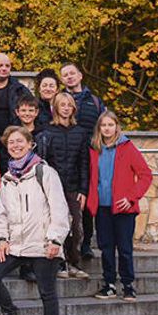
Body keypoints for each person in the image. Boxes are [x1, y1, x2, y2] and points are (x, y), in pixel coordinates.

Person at [0, 126, 71, 315]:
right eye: (11, 142)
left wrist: (55, 239)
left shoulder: (44, 172)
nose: (15, 146)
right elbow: (0, 213)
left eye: (19, 141)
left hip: (43, 244)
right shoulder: (7, 178)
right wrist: (1, 239)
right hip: (16, 244)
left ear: (30, 143)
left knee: (47, 292)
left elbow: (59, 209)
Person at [88, 111, 152, 302]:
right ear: (99, 128)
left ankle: (128, 285)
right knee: (106, 247)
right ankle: (108, 284)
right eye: (103, 125)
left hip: (123, 208)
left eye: (110, 124)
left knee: (124, 248)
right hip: (102, 207)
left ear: (116, 126)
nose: (107, 128)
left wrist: (131, 197)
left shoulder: (127, 147)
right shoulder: (94, 149)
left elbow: (145, 175)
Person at [36, 91, 91, 280]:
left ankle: (74, 262)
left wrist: (84, 190)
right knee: (56, 226)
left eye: (69, 105)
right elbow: (42, 161)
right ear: (56, 108)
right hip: (53, 188)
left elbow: (84, 163)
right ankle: (59, 264)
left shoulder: (81, 132)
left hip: (74, 187)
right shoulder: (47, 131)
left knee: (76, 227)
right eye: (62, 105)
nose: (66, 108)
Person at [60, 61, 107, 259]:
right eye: (65, 75)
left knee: (87, 203)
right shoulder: (60, 100)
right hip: (66, 157)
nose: (69, 77)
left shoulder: (94, 102)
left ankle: (86, 243)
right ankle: (65, 244)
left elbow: (104, 126)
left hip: (89, 157)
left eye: (72, 73)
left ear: (80, 75)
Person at [0, 53, 33, 171]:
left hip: (13, 144)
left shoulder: (20, 90)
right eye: (0, 65)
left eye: (7, 66)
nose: (4, 68)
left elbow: (33, 112)